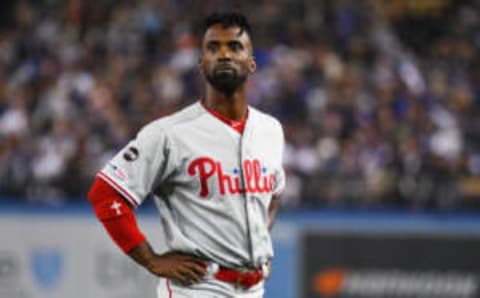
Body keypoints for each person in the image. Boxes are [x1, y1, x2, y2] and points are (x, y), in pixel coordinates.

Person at [87, 12, 285, 298]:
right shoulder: (171, 133)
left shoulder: (271, 130)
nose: (225, 54)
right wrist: (151, 260)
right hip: (197, 287)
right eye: (214, 47)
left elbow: (275, 193)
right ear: (201, 63)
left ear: (252, 63)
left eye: (235, 47)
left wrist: (257, 236)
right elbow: (105, 194)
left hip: (254, 289)